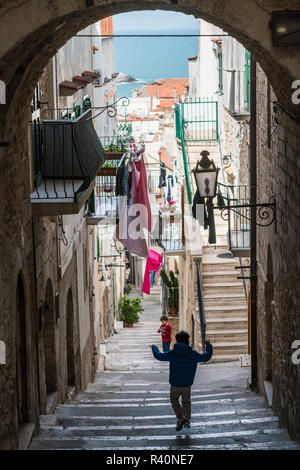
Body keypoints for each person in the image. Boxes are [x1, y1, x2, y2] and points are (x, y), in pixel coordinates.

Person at [150, 331, 213, 431]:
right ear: (187, 341)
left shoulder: (172, 353)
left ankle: (180, 417)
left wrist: (154, 348)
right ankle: (187, 421)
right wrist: (208, 346)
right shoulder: (193, 354)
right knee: (186, 402)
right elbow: (206, 357)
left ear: (177, 341)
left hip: (175, 383)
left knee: (174, 400)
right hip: (187, 384)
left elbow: (159, 356)